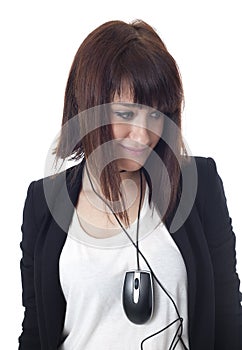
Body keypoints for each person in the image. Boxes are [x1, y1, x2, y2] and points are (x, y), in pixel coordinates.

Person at [18, 20, 242, 350]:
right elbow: (36, 331)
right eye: (125, 114)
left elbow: (228, 321)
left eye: (155, 116)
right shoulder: (43, 200)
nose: (142, 136)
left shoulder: (200, 185)